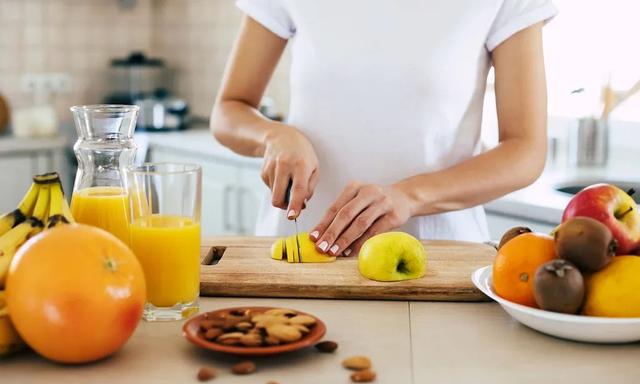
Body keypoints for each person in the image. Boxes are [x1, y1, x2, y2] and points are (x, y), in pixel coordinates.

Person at [211, 0, 557, 256]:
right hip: (299, 249)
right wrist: (275, 135)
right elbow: (229, 110)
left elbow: (525, 150)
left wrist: (410, 196)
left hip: (436, 256)